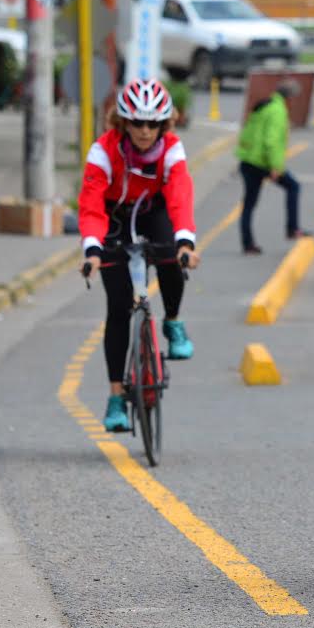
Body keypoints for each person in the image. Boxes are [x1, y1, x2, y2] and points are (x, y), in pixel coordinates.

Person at [79, 78, 201, 432]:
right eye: (137, 123)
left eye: (153, 124)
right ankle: (116, 396)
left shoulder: (172, 150)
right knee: (118, 309)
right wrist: (92, 250)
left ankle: (173, 322)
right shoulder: (102, 152)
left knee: (171, 257)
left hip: (154, 211)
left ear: (164, 124)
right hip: (114, 219)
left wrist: (185, 243)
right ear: (123, 122)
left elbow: (180, 195)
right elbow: (90, 205)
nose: (145, 131)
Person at [236, 80, 311, 254]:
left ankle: (248, 244)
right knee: (293, 187)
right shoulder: (278, 111)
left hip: (248, 160)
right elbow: (271, 141)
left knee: (249, 204)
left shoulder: (266, 105)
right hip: (262, 162)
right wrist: (275, 167)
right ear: (289, 98)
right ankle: (292, 229)